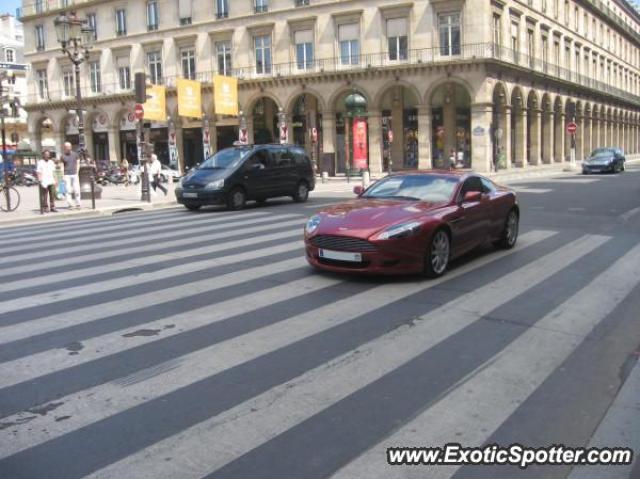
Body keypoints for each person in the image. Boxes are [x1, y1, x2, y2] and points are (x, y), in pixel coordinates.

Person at [61, 142, 81, 209]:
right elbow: (62, 166)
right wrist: (62, 175)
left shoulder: (75, 154)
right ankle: (70, 204)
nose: (68, 148)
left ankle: (78, 204)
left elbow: (78, 163)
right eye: (67, 147)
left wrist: (77, 172)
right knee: (68, 190)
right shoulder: (62, 156)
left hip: (74, 174)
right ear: (64, 148)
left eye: (69, 146)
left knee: (77, 189)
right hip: (66, 174)